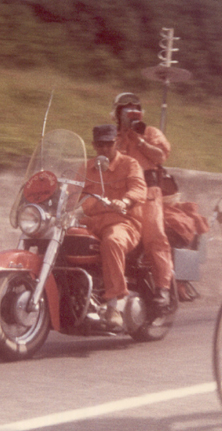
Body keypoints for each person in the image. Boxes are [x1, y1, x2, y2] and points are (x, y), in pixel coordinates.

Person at [81, 124, 147, 329]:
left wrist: (125, 202)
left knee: (112, 241)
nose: (104, 149)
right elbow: (75, 196)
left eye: (108, 144)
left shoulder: (129, 164)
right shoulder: (85, 168)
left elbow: (138, 189)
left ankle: (114, 305)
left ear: (116, 143)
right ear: (93, 145)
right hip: (92, 223)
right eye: (100, 145)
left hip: (123, 222)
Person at [112, 92, 174, 309]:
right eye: (125, 109)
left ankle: (162, 287)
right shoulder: (114, 137)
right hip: (120, 193)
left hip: (148, 192)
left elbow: (161, 156)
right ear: (118, 114)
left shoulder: (150, 132)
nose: (130, 112)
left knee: (154, 235)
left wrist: (138, 139)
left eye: (134, 109)